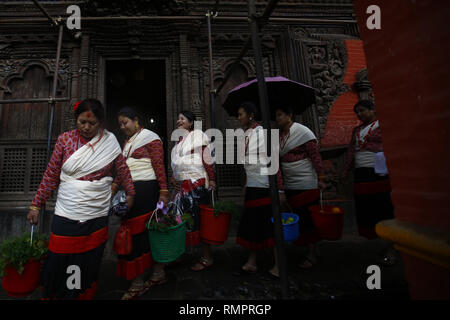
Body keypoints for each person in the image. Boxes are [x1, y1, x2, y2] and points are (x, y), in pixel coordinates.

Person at [27, 99, 135, 300]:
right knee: (59, 257)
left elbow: (122, 169)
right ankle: (62, 294)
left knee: (87, 257)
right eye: (81, 122)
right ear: (75, 120)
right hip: (67, 211)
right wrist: (36, 204)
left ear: (100, 123)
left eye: (92, 124)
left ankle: (77, 294)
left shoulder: (109, 142)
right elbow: (51, 174)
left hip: (95, 213)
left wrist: (130, 194)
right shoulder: (64, 140)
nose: (86, 127)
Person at [115, 107, 170, 300]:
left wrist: (164, 191)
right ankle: (155, 274)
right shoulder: (127, 142)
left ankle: (142, 280)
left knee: (144, 233)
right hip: (130, 190)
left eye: (125, 122)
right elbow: (123, 167)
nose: (122, 127)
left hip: (147, 189)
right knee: (137, 233)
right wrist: (114, 187)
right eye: (120, 124)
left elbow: (158, 165)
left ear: (136, 120)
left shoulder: (151, 137)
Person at [271, 105, 326, 273]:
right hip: (290, 182)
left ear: (290, 114)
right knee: (299, 216)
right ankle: (311, 247)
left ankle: (311, 253)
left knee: (308, 217)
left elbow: (315, 156)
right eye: (276, 116)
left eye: (280, 114)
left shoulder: (303, 133)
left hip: (306, 181)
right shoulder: (279, 137)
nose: (278, 119)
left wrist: (321, 177)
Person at [341, 99, 396, 265]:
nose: (359, 114)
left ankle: (391, 248)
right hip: (361, 173)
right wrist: (345, 170)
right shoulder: (357, 130)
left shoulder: (383, 125)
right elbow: (351, 151)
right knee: (367, 208)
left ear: (373, 110)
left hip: (379, 172)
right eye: (357, 112)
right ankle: (383, 241)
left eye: (363, 110)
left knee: (384, 208)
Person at [170, 110, 216, 271]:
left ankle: (207, 257)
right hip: (182, 186)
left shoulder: (197, 135)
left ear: (190, 123)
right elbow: (176, 165)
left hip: (197, 184)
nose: (178, 121)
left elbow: (206, 158)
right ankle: (179, 254)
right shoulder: (178, 143)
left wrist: (213, 179)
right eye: (178, 118)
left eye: (182, 119)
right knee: (181, 220)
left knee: (199, 221)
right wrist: (173, 178)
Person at [235, 102, 278, 275]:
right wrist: (246, 183)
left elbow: (273, 161)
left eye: (241, 114)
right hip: (252, 185)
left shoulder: (262, 133)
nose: (238, 118)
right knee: (252, 224)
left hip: (264, 186)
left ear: (251, 115)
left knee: (269, 226)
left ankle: (278, 263)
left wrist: (279, 189)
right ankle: (252, 261)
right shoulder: (246, 134)